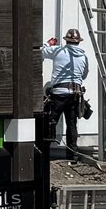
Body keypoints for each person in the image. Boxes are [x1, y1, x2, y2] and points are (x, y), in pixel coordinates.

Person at [43, 27, 90, 158]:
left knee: (50, 122)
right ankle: (72, 156)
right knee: (72, 124)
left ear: (67, 41)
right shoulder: (84, 57)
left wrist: (48, 44)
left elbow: (41, 52)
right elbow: (84, 75)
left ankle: (44, 154)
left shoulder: (58, 50)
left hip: (58, 94)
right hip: (74, 95)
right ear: (78, 42)